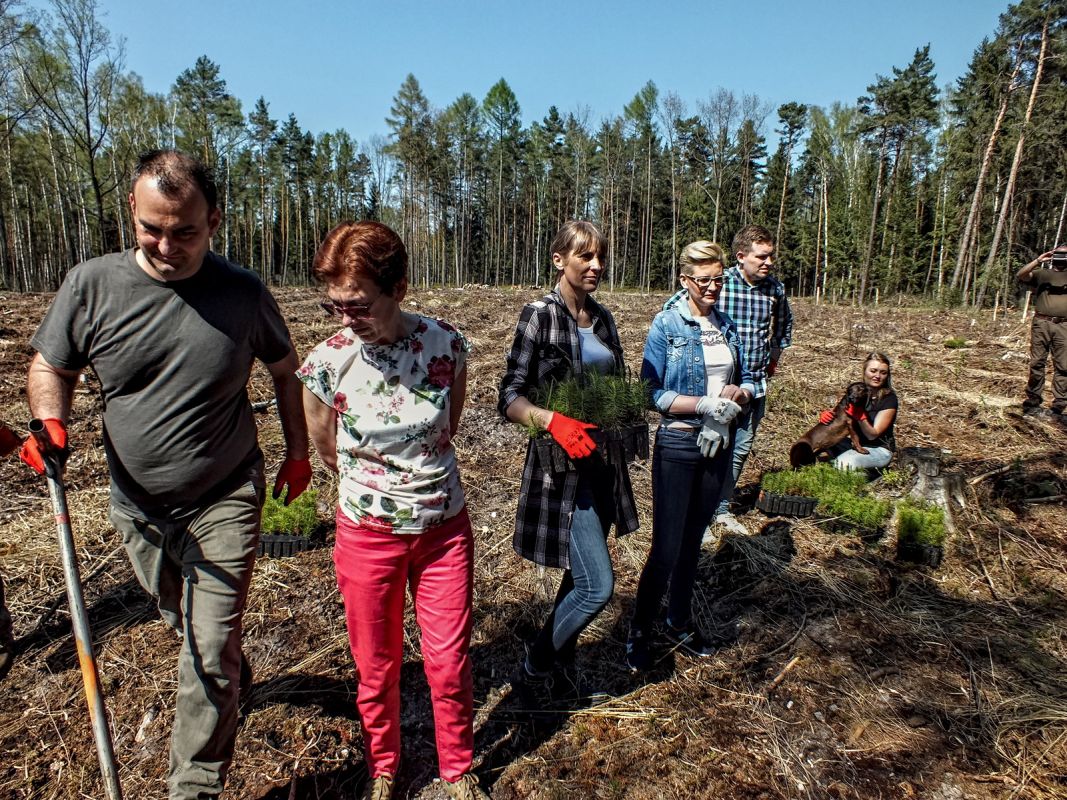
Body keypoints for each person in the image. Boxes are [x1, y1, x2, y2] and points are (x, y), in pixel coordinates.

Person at [20, 150, 311, 800]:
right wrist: (51, 420)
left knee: (206, 650)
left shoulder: (241, 293)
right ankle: (229, 664)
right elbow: (51, 366)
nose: (167, 244)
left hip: (225, 493)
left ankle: (194, 786)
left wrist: (298, 453)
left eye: (185, 231)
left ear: (214, 221)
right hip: (136, 505)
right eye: (152, 228)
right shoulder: (91, 285)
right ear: (132, 210)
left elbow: (287, 370)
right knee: (184, 622)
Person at [299, 221, 488, 800]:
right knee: (376, 668)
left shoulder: (445, 344)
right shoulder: (328, 362)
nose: (346, 318)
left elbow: (447, 426)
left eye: (357, 305)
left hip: (443, 531)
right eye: (335, 306)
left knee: (449, 661)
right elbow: (326, 449)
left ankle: (458, 768)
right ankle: (385, 766)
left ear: (399, 286)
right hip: (367, 538)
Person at [498, 220, 639, 696]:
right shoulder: (539, 315)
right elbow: (509, 396)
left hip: (602, 464)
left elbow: (619, 386)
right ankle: (535, 667)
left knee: (578, 578)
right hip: (561, 472)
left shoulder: (603, 319)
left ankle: (560, 673)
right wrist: (552, 420)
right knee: (598, 588)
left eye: (601, 256)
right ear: (559, 260)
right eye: (585, 257)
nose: (596, 265)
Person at [625, 242, 754, 671]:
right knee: (666, 545)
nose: (713, 287)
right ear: (684, 281)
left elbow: (748, 377)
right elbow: (649, 393)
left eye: (719, 278)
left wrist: (739, 395)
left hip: (719, 443)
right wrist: (702, 406)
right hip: (680, 445)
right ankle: (639, 630)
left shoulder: (727, 325)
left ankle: (678, 619)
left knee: (693, 542)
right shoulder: (667, 325)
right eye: (704, 280)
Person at [712, 224, 793, 536]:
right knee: (713, 446)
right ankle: (701, 510)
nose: (768, 262)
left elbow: (784, 327)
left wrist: (772, 359)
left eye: (770, 256)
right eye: (761, 256)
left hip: (754, 387)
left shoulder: (775, 289)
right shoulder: (721, 283)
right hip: (719, 386)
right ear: (741, 256)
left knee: (739, 449)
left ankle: (721, 509)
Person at [818, 352, 898, 471]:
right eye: (873, 371)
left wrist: (860, 416)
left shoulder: (889, 398)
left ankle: (871, 476)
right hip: (854, 443)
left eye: (883, 372)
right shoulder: (856, 392)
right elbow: (841, 418)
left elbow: (872, 435)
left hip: (878, 449)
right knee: (817, 444)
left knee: (843, 464)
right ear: (865, 371)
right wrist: (828, 418)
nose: (878, 376)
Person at [1017, 245, 1067, 419]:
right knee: (1037, 362)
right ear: (1053, 255)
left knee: (1063, 365)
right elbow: (1021, 275)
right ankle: (1033, 400)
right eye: (1059, 253)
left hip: (1064, 326)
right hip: (1042, 323)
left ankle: (1059, 405)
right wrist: (1039, 260)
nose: (1062, 257)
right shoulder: (1041, 274)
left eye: (1065, 254)